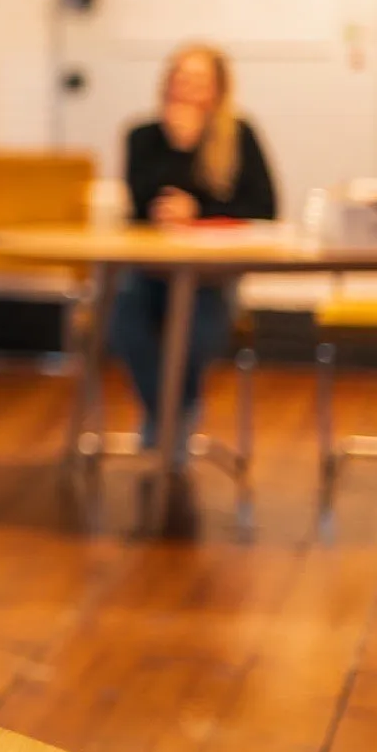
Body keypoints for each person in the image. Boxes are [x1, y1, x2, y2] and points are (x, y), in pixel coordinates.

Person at [110, 43, 277, 452]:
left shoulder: (238, 137)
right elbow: (141, 201)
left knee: (199, 327)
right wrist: (177, 147)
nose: (185, 89)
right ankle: (170, 417)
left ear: (218, 91)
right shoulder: (143, 136)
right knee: (123, 316)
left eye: (198, 81)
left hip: (210, 273)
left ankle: (166, 426)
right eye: (179, 78)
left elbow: (264, 208)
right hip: (151, 270)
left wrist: (198, 209)